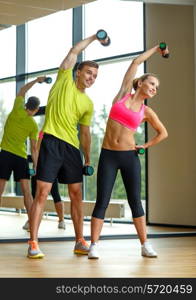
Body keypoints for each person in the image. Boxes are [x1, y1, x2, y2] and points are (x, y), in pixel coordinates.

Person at [27, 32, 108, 259]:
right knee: (42, 193)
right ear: (78, 72)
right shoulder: (63, 80)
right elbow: (73, 51)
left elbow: (85, 133)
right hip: (52, 142)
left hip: (72, 150)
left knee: (76, 194)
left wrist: (88, 158)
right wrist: (94, 38)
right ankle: (33, 242)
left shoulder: (88, 103)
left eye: (95, 76)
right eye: (89, 73)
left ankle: (79, 240)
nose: (92, 78)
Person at [88, 44, 169, 259]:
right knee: (102, 200)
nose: (154, 88)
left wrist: (145, 145)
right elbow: (135, 63)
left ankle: (145, 245)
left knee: (135, 201)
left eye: (157, 87)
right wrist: (157, 49)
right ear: (140, 83)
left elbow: (163, 133)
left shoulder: (147, 111)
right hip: (108, 155)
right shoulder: (123, 95)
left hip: (129, 157)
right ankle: (94, 244)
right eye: (152, 83)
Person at [0, 77, 46, 227]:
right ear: (37, 109)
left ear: (26, 104)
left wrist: (36, 80)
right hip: (20, 158)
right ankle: (31, 222)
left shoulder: (17, 108)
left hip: (5, 154)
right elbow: (34, 148)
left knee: (0, 189)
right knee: (27, 191)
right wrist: (37, 167)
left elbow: (23, 90)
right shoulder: (33, 125)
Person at [31, 130, 65, 230]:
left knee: (55, 194)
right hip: (40, 166)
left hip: (49, 167)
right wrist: (35, 166)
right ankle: (31, 221)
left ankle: (61, 220)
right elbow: (37, 149)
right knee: (35, 196)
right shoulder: (43, 132)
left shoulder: (58, 132)